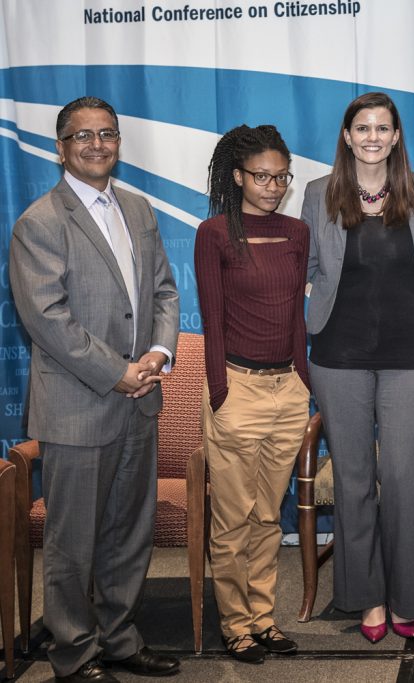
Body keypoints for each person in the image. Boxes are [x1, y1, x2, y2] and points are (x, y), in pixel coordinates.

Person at [9, 96, 180, 683]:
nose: (97, 145)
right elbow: (47, 320)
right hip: (80, 407)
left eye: (107, 134)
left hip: (140, 400)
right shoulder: (40, 221)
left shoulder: (137, 209)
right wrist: (118, 371)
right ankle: (74, 654)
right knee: (72, 543)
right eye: (83, 136)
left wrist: (158, 354)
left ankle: (120, 640)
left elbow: (163, 291)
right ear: (61, 147)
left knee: (128, 535)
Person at [301, 92, 414, 644]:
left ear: (397, 136)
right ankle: (367, 597)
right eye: (363, 128)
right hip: (339, 354)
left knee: (404, 478)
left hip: (411, 353)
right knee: (354, 479)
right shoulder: (318, 193)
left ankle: (406, 595)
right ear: (347, 136)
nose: (373, 137)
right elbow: (307, 265)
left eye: (383, 128)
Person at [195, 124, 310, 663]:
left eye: (281, 176)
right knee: (233, 518)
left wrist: (303, 381)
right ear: (238, 176)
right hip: (235, 389)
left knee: (269, 516)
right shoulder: (215, 233)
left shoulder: (296, 231)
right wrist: (219, 391)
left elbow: (294, 319)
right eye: (261, 176)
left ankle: (263, 618)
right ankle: (234, 623)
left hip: (287, 390)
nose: (272, 186)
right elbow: (213, 320)